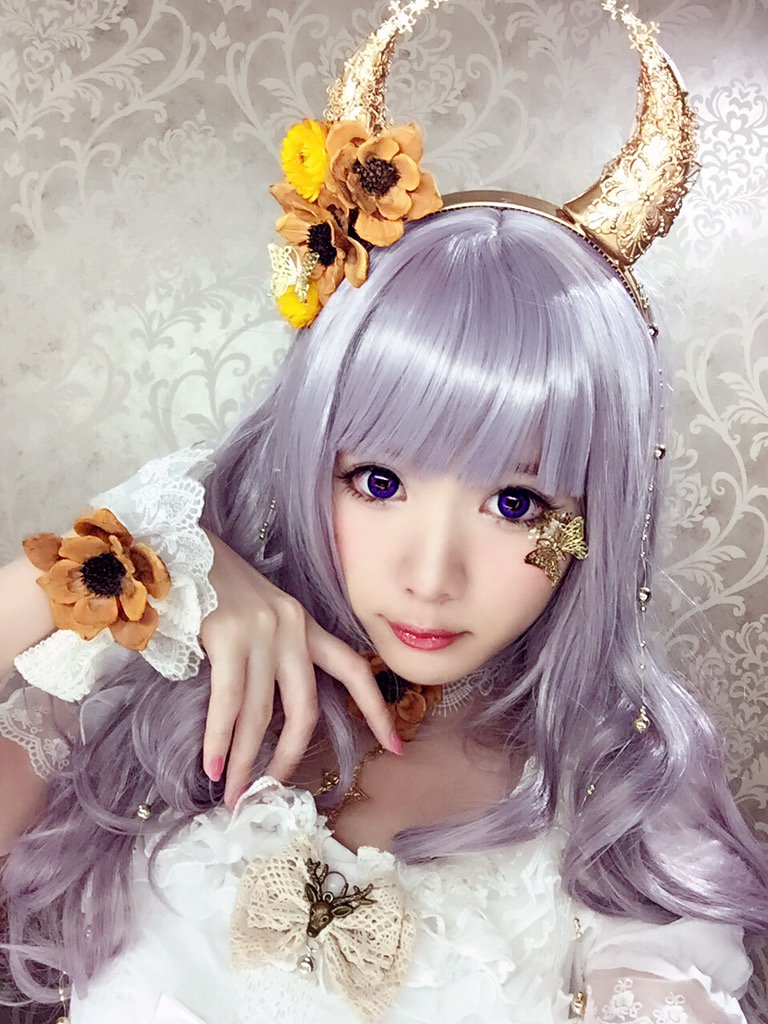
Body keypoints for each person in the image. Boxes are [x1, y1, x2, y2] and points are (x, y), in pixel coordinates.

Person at [1, 1, 767, 1022]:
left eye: (515, 501)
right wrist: (123, 561)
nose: (430, 575)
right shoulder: (146, 696)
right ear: (309, 457)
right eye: (377, 481)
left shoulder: (623, 816)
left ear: (588, 521)